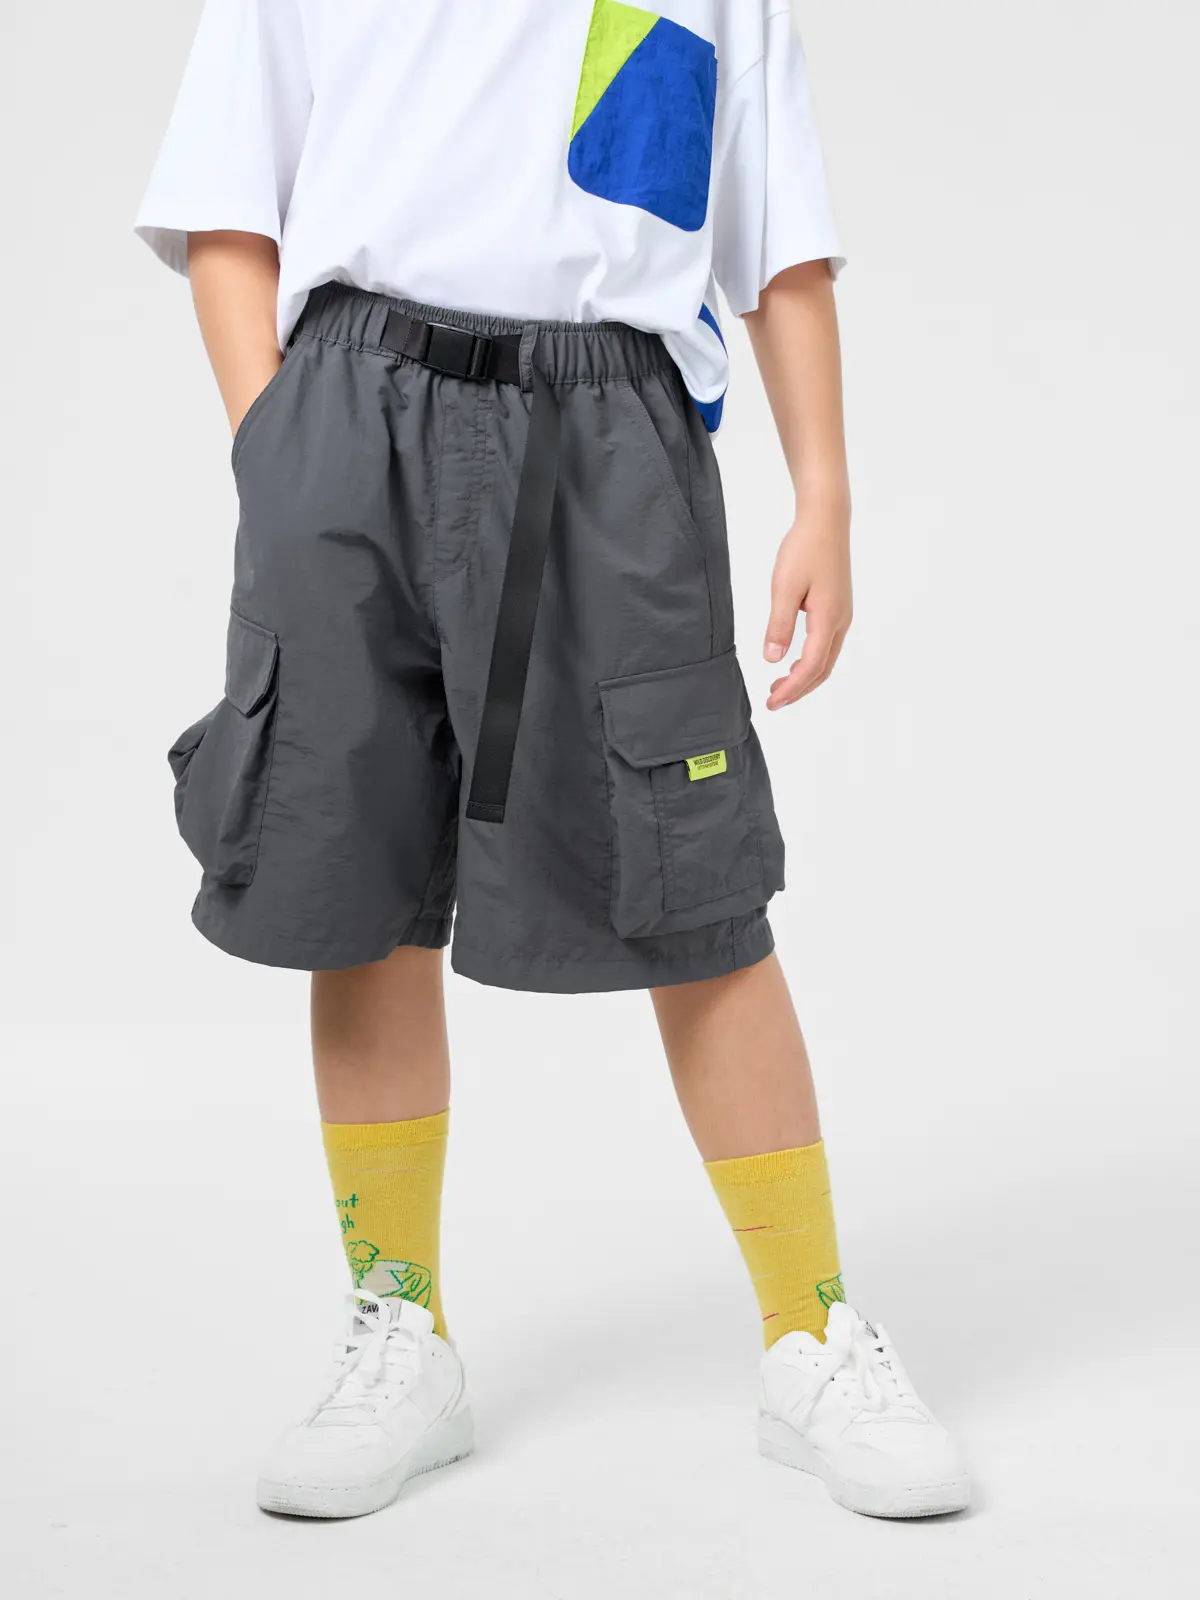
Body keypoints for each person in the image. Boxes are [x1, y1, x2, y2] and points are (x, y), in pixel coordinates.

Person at [137, 0, 969, 1522]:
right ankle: (401, 1329)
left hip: (609, 430)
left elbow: (777, 238)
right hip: (350, 416)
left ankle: (811, 1336)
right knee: (361, 884)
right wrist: (278, 452)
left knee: (688, 885)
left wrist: (826, 495)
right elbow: (226, 204)